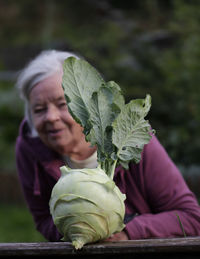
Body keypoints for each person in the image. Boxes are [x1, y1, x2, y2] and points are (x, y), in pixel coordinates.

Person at [15, 49, 200, 242]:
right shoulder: (30, 148)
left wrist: (125, 231)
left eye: (62, 104)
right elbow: (44, 219)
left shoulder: (132, 138)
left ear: (86, 106)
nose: (50, 117)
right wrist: (78, 229)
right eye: (39, 109)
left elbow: (191, 217)